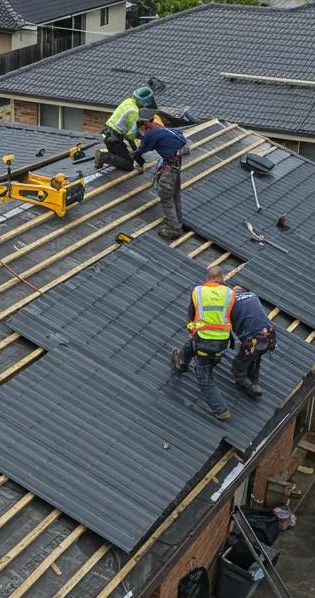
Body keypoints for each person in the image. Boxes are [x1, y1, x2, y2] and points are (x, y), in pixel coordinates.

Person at [172, 267, 236, 421]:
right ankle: (181, 362)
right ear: (221, 277)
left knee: (204, 375)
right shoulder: (230, 293)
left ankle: (221, 411)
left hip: (204, 340)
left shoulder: (198, 291)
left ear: (207, 278)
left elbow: (190, 315)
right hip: (222, 341)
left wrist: (192, 330)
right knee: (191, 345)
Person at [131, 112, 187, 240]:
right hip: (176, 164)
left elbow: (141, 151)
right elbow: (180, 137)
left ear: (145, 126)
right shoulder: (163, 129)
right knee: (175, 195)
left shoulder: (150, 135)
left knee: (166, 195)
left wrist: (136, 158)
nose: (141, 136)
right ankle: (177, 222)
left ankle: (173, 229)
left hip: (169, 168)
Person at [93, 86, 156, 172]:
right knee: (128, 164)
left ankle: (110, 154)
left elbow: (127, 132)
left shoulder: (129, 101)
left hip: (109, 133)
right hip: (113, 140)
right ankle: (103, 156)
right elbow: (131, 136)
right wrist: (139, 155)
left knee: (127, 154)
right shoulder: (134, 112)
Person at [229, 285, 277, 397]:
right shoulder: (253, 296)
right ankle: (254, 382)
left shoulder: (230, 303)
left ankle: (250, 387)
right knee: (255, 359)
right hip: (270, 337)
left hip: (253, 341)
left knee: (238, 367)